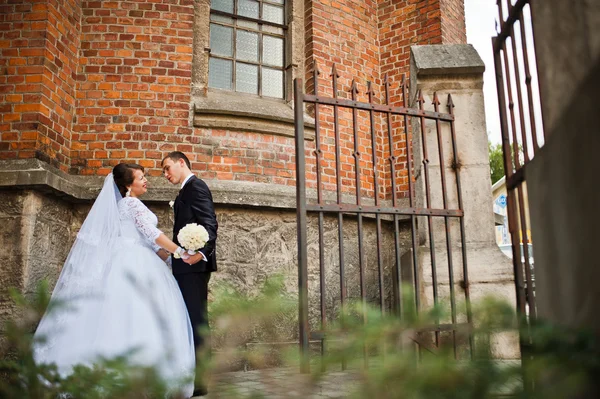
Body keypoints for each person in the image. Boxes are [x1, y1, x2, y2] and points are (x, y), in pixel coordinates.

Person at [33, 163, 195, 397]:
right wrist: (179, 251)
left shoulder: (125, 205)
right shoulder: (131, 203)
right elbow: (152, 235)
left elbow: (147, 241)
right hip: (135, 263)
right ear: (128, 185)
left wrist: (170, 260)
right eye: (141, 177)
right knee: (137, 314)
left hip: (137, 255)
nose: (145, 180)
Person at [162, 152, 218, 397]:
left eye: (167, 168)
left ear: (181, 162)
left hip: (194, 267)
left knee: (196, 321)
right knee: (189, 320)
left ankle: (201, 381)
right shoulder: (184, 191)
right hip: (184, 266)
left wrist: (202, 253)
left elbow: (210, 223)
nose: (165, 174)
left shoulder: (196, 187)